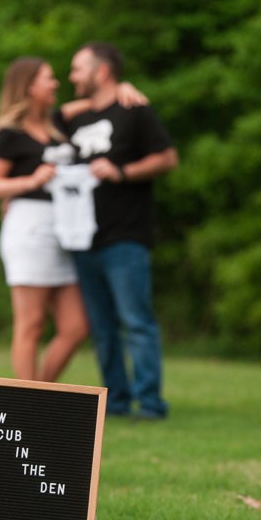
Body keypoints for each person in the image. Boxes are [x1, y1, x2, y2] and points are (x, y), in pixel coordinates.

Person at [57, 42, 179, 419]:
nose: (71, 77)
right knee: (102, 328)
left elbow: (168, 158)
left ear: (101, 71)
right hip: (82, 239)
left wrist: (121, 172)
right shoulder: (73, 120)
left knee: (136, 321)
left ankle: (151, 403)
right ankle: (116, 401)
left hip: (125, 236)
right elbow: (39, 124)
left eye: (78, 69)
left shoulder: (134, 112)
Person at [0, 57, 89, 383]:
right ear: (28, 86)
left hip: (63, 230)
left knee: (76, 326)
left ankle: (39, 394)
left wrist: (123, 89)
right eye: (48, 78)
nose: (55, 84)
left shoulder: (55, 126)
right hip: (29, 229)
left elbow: (95, 103)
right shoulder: (9, 135)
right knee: (31, 324)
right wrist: (30, 181)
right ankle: (29, 402)